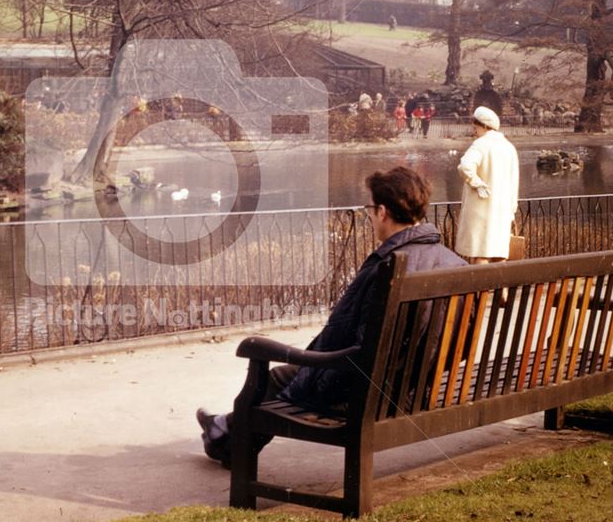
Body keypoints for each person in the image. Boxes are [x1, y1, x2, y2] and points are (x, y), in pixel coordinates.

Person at [196, 167, 466, 467]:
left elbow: (355, 347)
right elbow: (459, 346)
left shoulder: (387, 269)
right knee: (291, 376)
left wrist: (311, 361)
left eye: (370, 210)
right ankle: (222, 430)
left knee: (270, 378)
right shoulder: (455, 263)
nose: (371, 216)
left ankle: (227, 442)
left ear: (382, 211)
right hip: (420, 384)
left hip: (373, 393)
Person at [455, 106, 520, 264]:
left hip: (481, 209)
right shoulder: (509, 148)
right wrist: (512, 211)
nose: (474, 129)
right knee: (499, 254)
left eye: (476, 125)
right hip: (502, 211)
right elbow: (514, 182)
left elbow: (465, 167)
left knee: (481, 252)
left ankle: (479, 289)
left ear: (484, 126)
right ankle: (501, 290)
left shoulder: (480, 145)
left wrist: (477, 184)